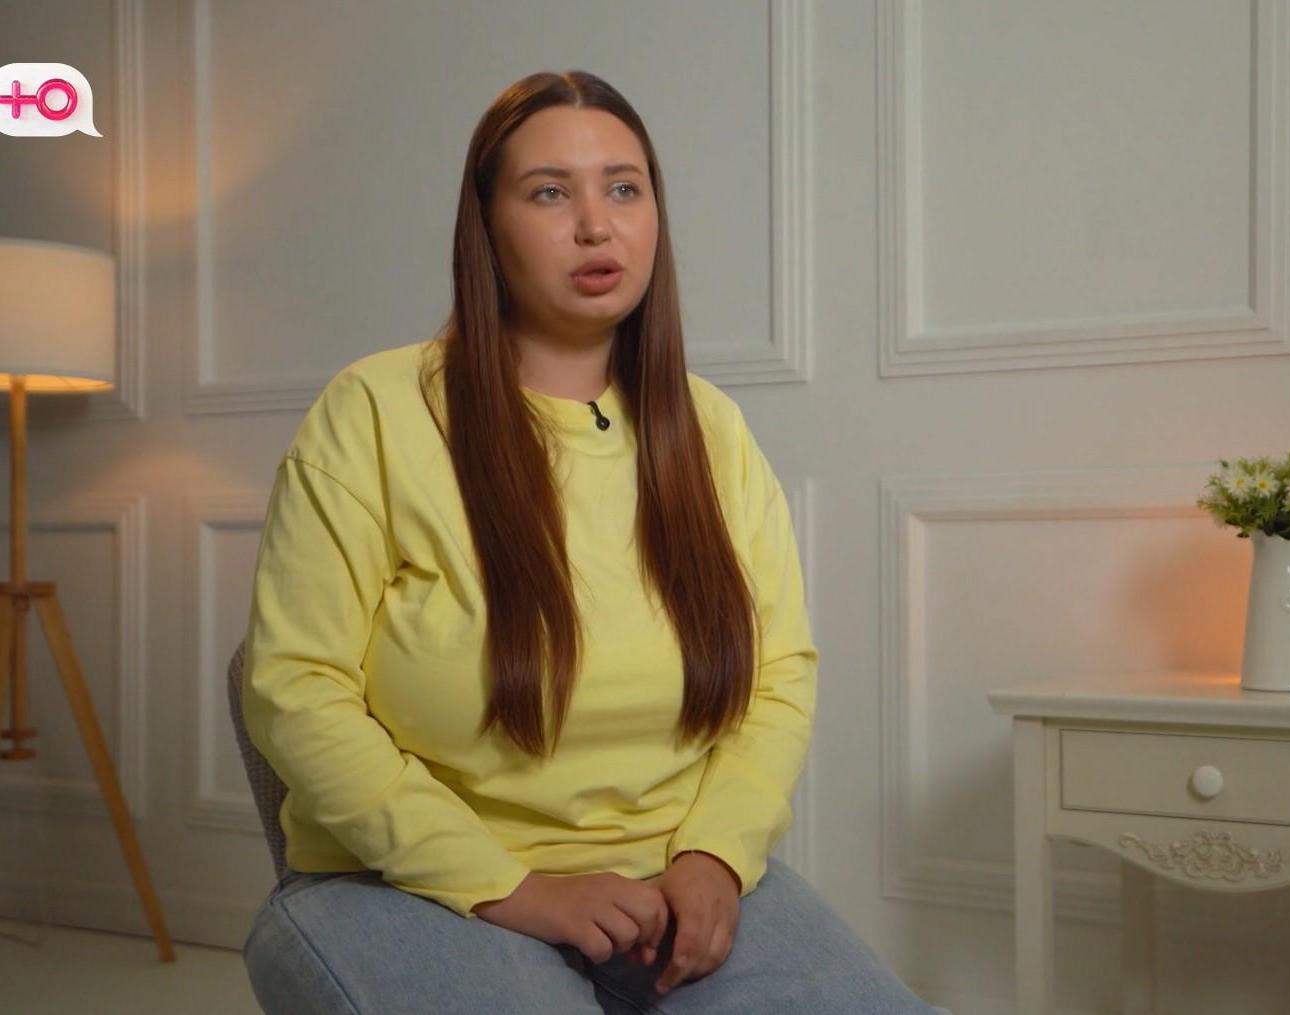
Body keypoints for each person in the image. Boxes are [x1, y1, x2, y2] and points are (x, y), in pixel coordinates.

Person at [241, 69, 949, 1015]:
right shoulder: (373, 409)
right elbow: (295, 687)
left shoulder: (711, 428)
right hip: (406, 882)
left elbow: (777, 675)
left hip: (670, 878)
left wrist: (715, 855)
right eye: (548, 193)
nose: (595, 224)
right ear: (485, 225)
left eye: (623, 187)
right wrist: (513, 887)